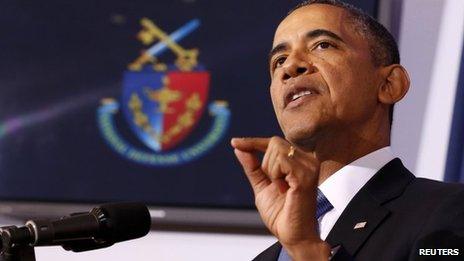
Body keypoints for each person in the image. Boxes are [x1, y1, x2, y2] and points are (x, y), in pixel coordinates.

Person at [230, 0, 464, 260]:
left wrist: (306, 251)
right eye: (279, 60)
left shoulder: (448, 212)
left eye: (322, 45)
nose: (290, 67)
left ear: (389, 84)